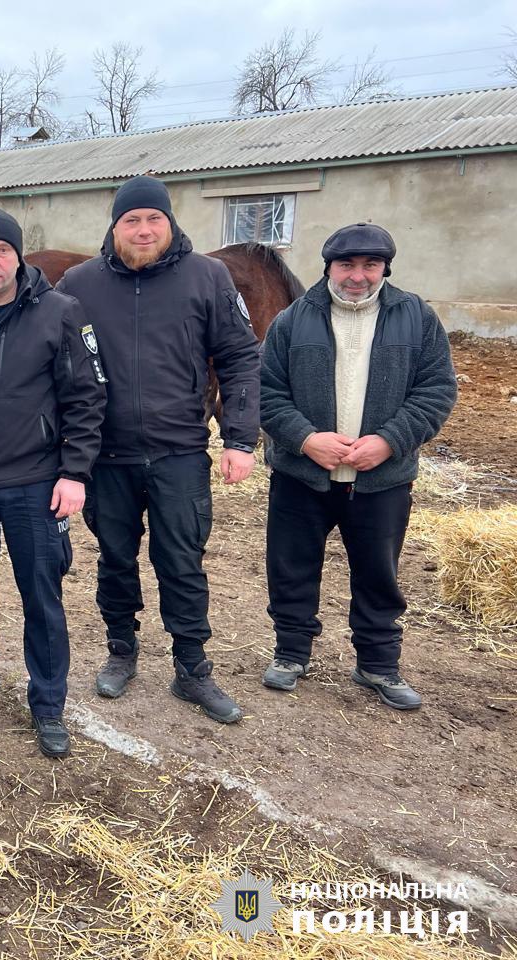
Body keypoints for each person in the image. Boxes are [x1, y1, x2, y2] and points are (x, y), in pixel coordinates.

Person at [57, 175, 261, 724]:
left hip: (180, 452)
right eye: (132, 220)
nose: (143, 230)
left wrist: (240, 437)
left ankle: (192, 667)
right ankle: (121, 651)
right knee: (116, 559)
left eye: (154, 219)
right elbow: (58, 368)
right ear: (115, 225)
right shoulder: (80, 283)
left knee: (182, 562)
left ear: (169, 223)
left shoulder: (208, 277)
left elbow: (241, 358)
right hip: (108, 456)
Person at [259, 223, 457, 709]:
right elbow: (266, 392)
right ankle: (291, 653)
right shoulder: (292, 320)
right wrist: (306, 439)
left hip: (381, 478)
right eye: (347, 265)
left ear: (385, 269)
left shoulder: (416, 319)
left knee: (377, 572)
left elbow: (436, 390)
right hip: (302, 474)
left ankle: (378, 665)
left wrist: (389, 442)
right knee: (291, 566)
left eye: (370, 266)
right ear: (328, 267)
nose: (358, 276)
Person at [0, 208, 105, 758]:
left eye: (2, 251)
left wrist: (75, 472)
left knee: (42, 597)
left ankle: (48, 702)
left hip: (36, 484)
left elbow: (86, 398)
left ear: (18, 257)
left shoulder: (60, 313)